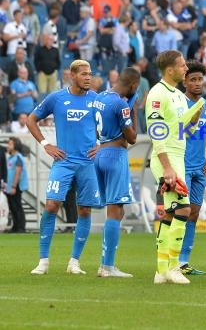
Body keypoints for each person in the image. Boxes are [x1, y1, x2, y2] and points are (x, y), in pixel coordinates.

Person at [28, 60, 100, 275]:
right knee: (51, 205)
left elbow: (111, 125)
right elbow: (32, 120)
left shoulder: (96, 100)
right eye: (84, 74)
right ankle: (43, 261)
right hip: (64, 161)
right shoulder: (57, 98)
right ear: (72, 75)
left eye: (90, 74)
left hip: (87, 163)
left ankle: (74, 262)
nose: (88, 77)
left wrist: (101, 145)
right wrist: (45, 144)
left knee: (85, 210)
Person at [146, 50, 203, 285]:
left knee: (171, 213)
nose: (186, 69)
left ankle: (161, 270)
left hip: (178, 156)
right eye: (181, 66)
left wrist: (194, 120)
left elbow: (181, 132)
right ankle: (173, 266)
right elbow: (157, 133)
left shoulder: (179, 96)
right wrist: (168, 168)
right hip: (165, 159)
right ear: (170, 70)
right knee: (184, 210)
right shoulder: (157, 94)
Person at [93, 67, 140, 278]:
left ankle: (107, 262)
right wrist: (134, 111)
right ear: (133, 86)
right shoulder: (122, 104)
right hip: (115, 155)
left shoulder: (100, 96)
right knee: (115, 210)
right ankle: (107, 267)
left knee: (116, 211)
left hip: (100, 153)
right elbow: (132, 138)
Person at [177, 61, 206, 276]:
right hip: (180, 166)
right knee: (178, 213)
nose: (198, 83)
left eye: (200, 79)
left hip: (199, 168)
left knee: (194, 213)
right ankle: (170, 258)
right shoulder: (177, 104)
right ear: (184, 81)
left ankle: (184, 261)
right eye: (193, 79)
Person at [4, 137, 29, 233]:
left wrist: (14, 186)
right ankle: (15, 226)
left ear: (16, 146)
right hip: (10, 186)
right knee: (12, 206)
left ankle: (21, 227)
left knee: (17, 206)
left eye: (10, 144)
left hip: (16, 186)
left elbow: (18, 172)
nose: (8, 146)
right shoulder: (11, 157)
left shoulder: (18, 157)